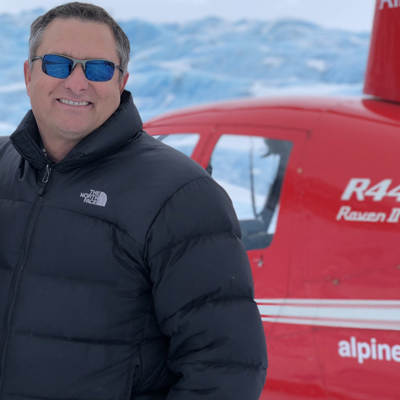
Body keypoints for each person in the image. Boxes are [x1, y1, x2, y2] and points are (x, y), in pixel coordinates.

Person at [0, 2, 268, 399]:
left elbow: (226, 368)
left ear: (122, 80)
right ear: (28, 73)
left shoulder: (181, 194)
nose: (76, 82)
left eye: (98, 68)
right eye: (57, 64)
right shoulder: (3, 166)